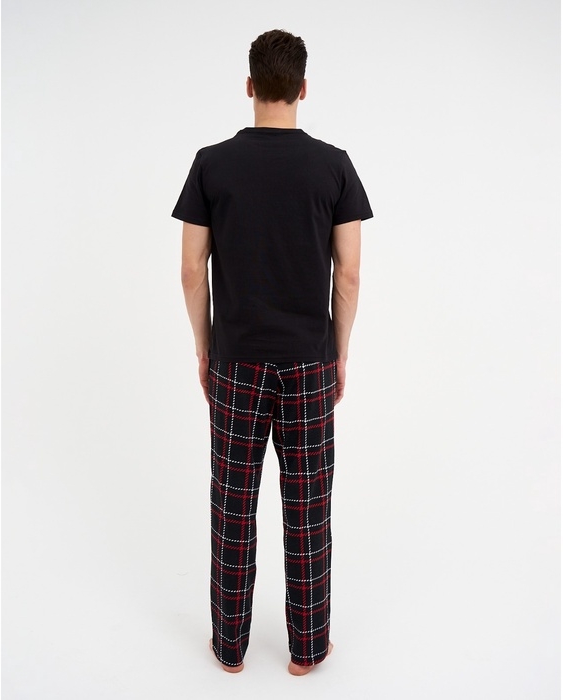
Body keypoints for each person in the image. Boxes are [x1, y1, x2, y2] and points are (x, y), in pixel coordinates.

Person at [171, 28, 373, 676]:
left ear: (250, 85)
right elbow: (349, 274)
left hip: (236, 360)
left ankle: (229, 648)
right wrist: (339, 353)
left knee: (232, 503)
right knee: (308, 507)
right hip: (310, 361)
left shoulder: (211, 163)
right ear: (303, 88)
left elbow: (191, 270)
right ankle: (307, 650)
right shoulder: (334, 166)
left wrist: (205, 348)